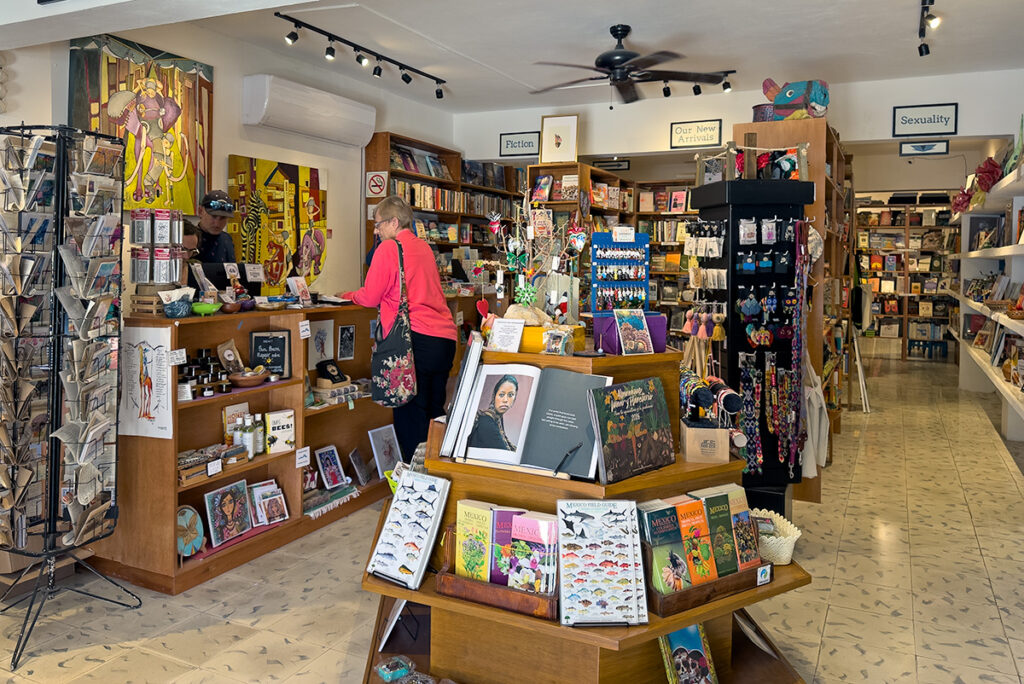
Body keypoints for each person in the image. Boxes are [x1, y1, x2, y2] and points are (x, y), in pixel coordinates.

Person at [340, 195, 457, 462]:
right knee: (433, 413)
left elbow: (370, 297)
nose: (376, 231)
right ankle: (437, 478)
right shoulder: (424, 248)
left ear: (394, 222)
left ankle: (414, 489)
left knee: (409, 416)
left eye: (379, 224)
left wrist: (347, 295)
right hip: (443, 340)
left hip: (413, 340)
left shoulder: (390, 248)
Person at [467, 375, 518, 451]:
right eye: (501, 395)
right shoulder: (486, 421)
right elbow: (503, 452)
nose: (505, 400)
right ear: (494, 396)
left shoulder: (498, 419)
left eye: (510, 395)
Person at [195, 190, 237, 264]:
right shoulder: (189, 239)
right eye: (213, 217)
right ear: (200, 211)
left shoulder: (227, 239)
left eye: (223, 218)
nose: (217, 223)